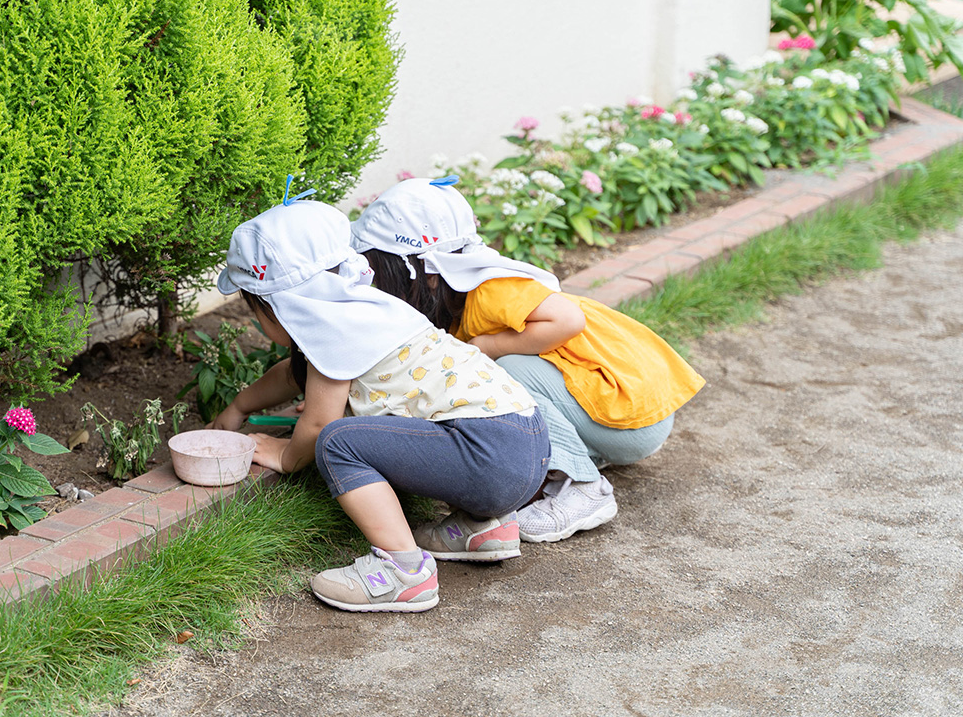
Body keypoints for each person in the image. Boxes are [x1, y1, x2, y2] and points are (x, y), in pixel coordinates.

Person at [210, 196, 551, 614]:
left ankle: (404, 572)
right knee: (376, 430)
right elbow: (292, 374)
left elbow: (317, 425)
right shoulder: (368, 311)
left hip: (489, 455)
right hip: (527, 444)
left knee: (337, 441)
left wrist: (286, 455)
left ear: (277, 305)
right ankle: (483, 528)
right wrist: (239, 406)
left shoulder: (334, 334)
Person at [350, 176, 705, 543]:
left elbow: (569, 320)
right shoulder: (455, 303)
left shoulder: (489, 291)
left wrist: (491, 346)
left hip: (632, 417)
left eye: (383, 272)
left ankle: (584, 489)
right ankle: (577, 454)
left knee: (500, 373)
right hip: (615, 414)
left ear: (427, 275)